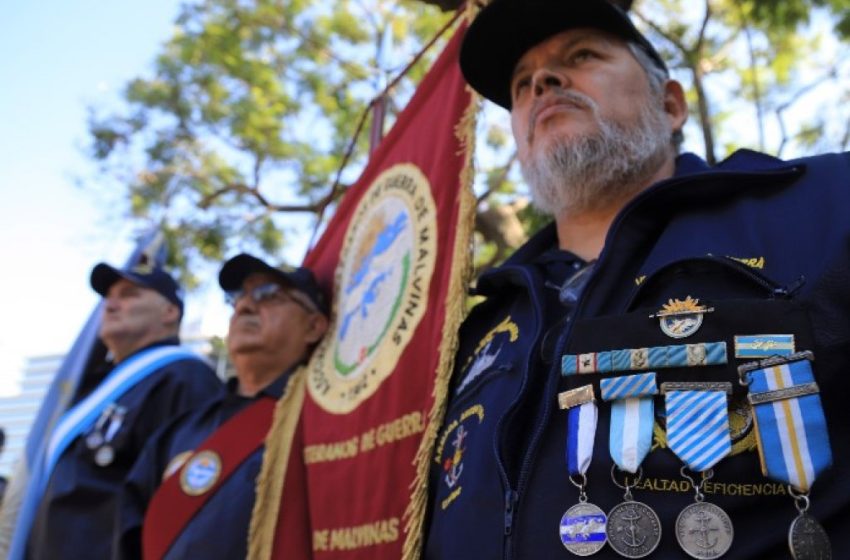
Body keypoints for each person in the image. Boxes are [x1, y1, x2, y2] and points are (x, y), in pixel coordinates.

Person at [425, 1, 850, 558]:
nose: (542, 83)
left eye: (581, 55)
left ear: (669, 104)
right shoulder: (468, 331)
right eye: (522, 83)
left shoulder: (825, 202)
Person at [114, 253, 328, 560]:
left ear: (313, 326)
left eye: (269, 294)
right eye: (237, 298)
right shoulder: (178, 431)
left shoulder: (325, 421)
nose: (244, 305)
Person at [21, 260, 222, 559]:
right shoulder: (94, 389)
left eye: (129, 294)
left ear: (170, 313)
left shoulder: (185, 378)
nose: (111, 305)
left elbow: (187, 501)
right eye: (109, 297)